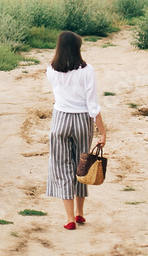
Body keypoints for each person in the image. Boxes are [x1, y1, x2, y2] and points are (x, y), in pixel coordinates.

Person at [44, 30, 107, 231]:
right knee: (82, 165)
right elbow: (92, 104)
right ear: (77, 48)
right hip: (82, 120)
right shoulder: (88, 70)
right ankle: (80, 214)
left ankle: (70, 218)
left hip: (60, 120)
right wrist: (102, 132)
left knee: (62, 167)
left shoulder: (51, 70)